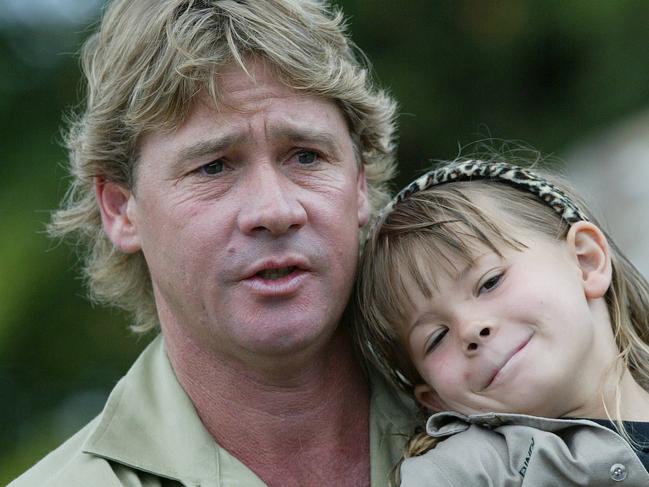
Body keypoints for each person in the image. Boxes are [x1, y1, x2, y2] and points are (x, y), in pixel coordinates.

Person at [10, 1, 418, 486]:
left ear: (360, 186)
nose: (274, 210)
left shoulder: (513, 416)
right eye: (214, 167)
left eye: (306, 156)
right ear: (121, 209)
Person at [354, 159, 649, 485]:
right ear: (434, 400)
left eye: (489, 282)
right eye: (436, 338)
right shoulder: (469, 471)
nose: (470, 329)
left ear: (586, 260)